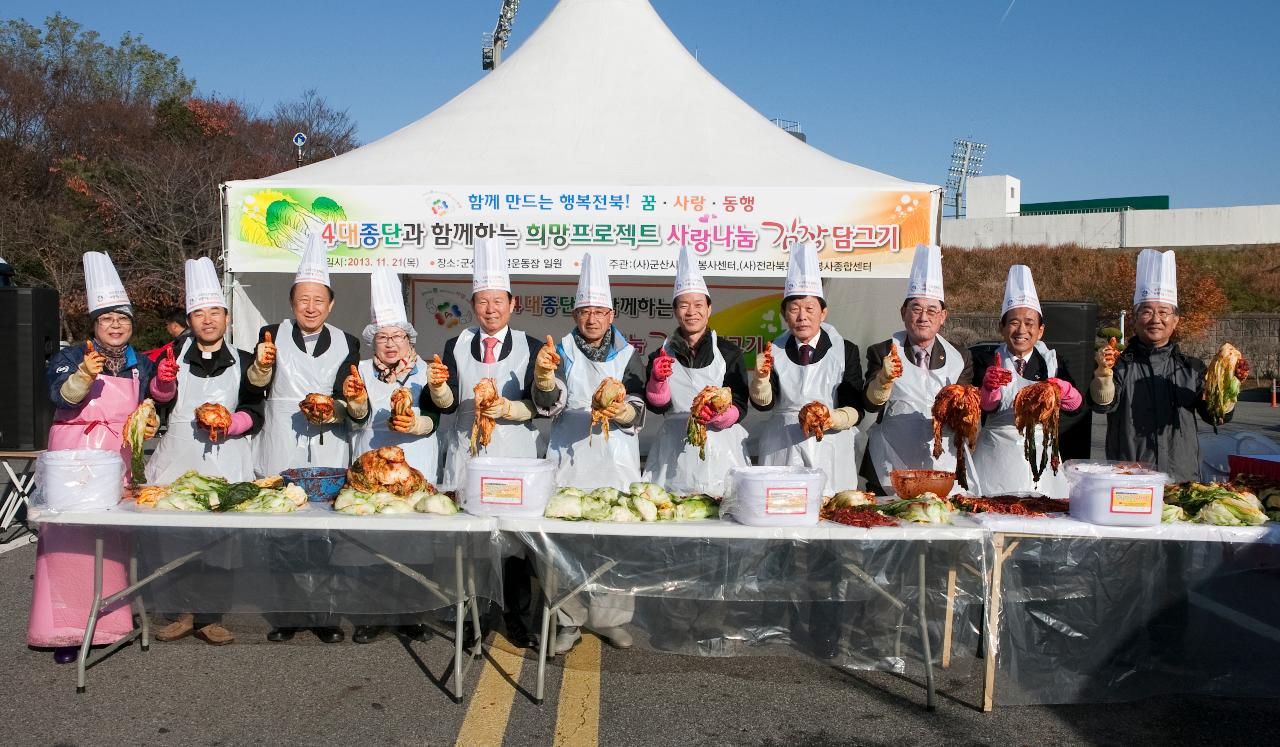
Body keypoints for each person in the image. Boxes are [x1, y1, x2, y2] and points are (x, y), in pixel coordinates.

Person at [30, 252, 174, 663]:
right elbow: (59, 396)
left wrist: (153, 409)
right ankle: (66, 631)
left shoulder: (139, 363)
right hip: (74, 457)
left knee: (112, 543)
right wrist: (84, 375)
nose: (116, 325)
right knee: (69, 543)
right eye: (108, 318)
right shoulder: (69, 357)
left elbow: (155, 403)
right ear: (94, 324)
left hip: (117, 458)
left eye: (123, 319)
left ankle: (110, 624)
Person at [420, 238, 544, 649]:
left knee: (513, 543)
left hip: (513, 457)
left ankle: (516, 616)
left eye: (497, 301)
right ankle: (469, 615)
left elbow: (542, 405)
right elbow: (449, 400)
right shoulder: (456, 345)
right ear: (473, 305)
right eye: (482, 302)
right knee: (470, 542)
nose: (490, 310)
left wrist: (510, 409)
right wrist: (438, 390)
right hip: (468, 456)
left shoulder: (532, 347)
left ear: (512, 303)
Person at [146, 258, 265, 646]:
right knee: (177, 539)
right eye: (199, 313)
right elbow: (161, 402)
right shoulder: (172, 359)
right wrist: (162, 386)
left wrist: (233, 424)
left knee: (220, 542)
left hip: (226, 459)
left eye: (215, 312)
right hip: (178, 460)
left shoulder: (245, 360)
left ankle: (212, 616)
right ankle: (182, 613)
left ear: (227, 318)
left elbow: (255, 409)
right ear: (191, 319)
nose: (208, 319)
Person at [251, 233, 360, 644]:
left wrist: (334, 408)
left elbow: (352, 394)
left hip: (329, 440)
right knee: (282, 531)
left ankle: (325, 614)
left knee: (324, 531)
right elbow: (255, 384)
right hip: (281, 437)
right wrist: (261, 369)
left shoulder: (348, 342)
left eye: (319, 300)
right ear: (292, 302)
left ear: (330, 304)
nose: (311, 307)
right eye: (303, 299)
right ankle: (287, 614)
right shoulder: (269, 334)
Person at [535, 253, 646, 655]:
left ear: (612, 313)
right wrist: (544, 378)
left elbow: (637, 406)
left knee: (615, 541)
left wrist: (622, 411)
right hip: (570, 455)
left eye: (600, 311)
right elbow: (550, 402)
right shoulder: (559, 350)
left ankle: (611, 619)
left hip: (615, 456)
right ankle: (567, 619)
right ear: (575, 313)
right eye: (585, 311)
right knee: (565, 544)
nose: (593, 319)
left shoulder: (629, 354)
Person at [345, 269, 438, 645]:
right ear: (373, 341)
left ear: (409, 338)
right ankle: (372, 614)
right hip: (371, 465)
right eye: (382, 337)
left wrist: (416, 425)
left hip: (415, 466)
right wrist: (354, 401)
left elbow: (437, 417)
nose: (389, 344)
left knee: (414, 542)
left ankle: (412, 614)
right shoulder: (358, 371)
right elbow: (354, 414)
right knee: (372, 542)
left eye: (397, 336)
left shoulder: (429, 372)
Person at [1090, 249, 1232, 483]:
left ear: (1175, 321)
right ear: (1134, 319)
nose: (1156, 319)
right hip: (1130, 478)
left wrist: (1228, 387)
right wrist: (1102, 376)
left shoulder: (1191, 368)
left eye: (1164, 312)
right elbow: (1102, 404)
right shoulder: (1119, 366)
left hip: (1182, 480)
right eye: (1147, 311)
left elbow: (1216, 416)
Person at [748, 241, 866, 491]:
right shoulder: (773, 349)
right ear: (784, 314)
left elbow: (856, 406)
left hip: (830, 445)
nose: (802, 316)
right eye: (794, 309)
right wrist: (760, 380)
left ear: (823, 313)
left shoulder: (845, 349)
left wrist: (834, 418)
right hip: (783, 445)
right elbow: (764, 404)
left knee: (831, 514)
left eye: (810, 308)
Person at [641, 245, 750, 497]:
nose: (692, 312)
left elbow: (742, 402)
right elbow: (658, 407)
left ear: (709, 309)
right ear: (675, 311)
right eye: (684, 306)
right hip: (673, 448)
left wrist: (723, 416)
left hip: (722, 447)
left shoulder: (729, 352)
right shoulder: (660, 355)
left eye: (698, 304)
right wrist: (657, 382)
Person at [863, 244, 972, 494]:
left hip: (940, 462)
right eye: (916, 309)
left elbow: (966, 407)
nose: (924, 317)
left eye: (932, 310)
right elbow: (870, 405)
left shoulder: (961, 356)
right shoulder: (882, 351)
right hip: (890, 459)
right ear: (903, 313)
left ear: (943, 316)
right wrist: (883, 380)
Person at [969, 265, 1084, 498]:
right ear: (1001, 327)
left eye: (1030, 323)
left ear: (1041, 330)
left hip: (1041, 457)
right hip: (995, 458)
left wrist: (1064, 390)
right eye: (1013, 322)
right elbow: (982, 408)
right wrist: (989, 388)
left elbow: (1076, 407)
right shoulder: (985, 360)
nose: (1021, 330)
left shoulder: (1053, 362)